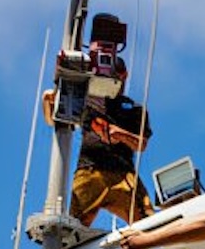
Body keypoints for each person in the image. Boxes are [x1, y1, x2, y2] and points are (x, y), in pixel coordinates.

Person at [42, 88, 154, 226]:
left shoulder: (134, 109)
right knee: (74, 228)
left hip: (123, 174)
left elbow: (141, 144)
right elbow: (55, 120)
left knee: (149, 223)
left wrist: (119, 134)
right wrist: (48, 100)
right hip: (90, 171)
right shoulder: (86, 101)